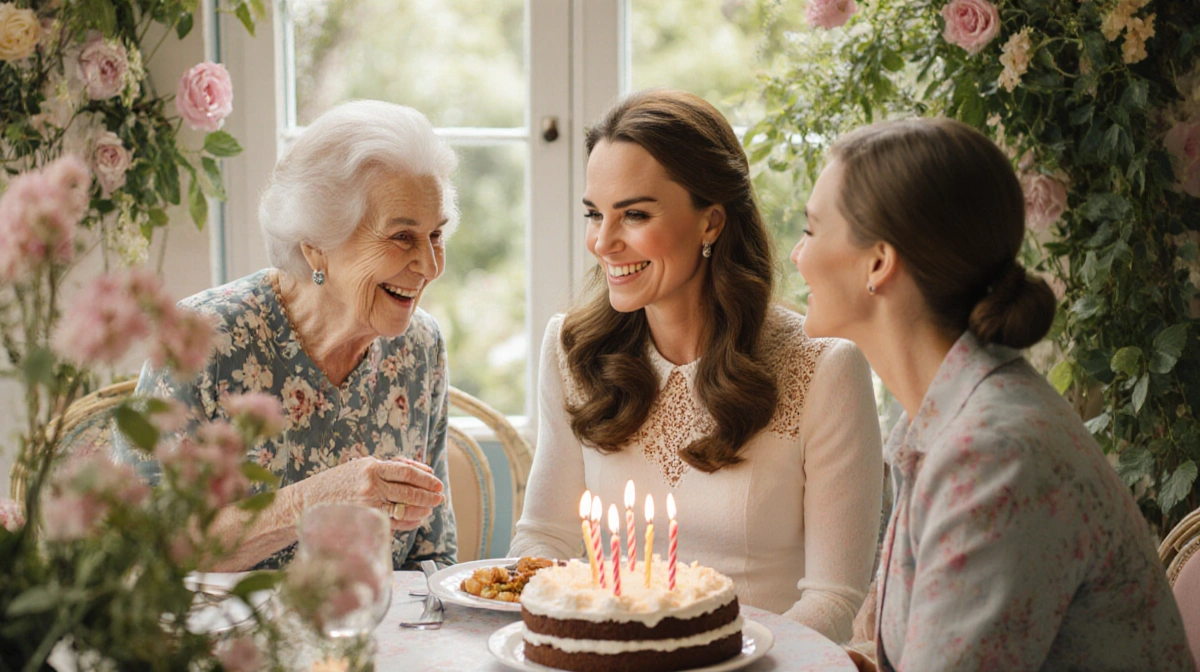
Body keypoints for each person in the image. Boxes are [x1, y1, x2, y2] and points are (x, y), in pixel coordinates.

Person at [792, 117, 1191, 670]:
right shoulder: (941, 420)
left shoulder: (994, 454)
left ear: (879, 263)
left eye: (811, 230)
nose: (797, 255)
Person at [508, 89, 884, 642]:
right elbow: (545, 539)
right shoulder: (571, 350)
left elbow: (835, 599)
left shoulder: (824, 368)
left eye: (634, 214)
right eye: (595, 214)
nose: (603, 242)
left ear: (711, 222)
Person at [113, 100, 458, 571]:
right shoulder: (202, 340)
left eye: (435, 235)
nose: (430, 266)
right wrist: (313, 501)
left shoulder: (421, 348)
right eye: (402, 237)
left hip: (374, 639)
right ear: (316, 245)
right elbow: (144, 551)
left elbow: (431, 553)